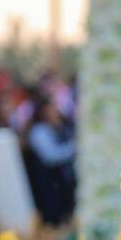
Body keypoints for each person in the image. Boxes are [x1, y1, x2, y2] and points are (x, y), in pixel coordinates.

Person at [23, 94, 76, 226]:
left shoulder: (62, 128)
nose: (54, 112)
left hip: (62, 182)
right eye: (50, 109)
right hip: (49, 184)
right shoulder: (38, 131)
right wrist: (75, 147)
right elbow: (51, 157)